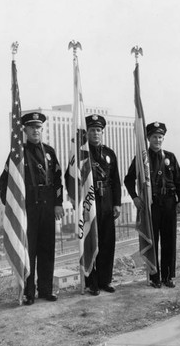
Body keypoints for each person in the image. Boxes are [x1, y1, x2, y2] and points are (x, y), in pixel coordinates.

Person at [0, 112, 64, 305]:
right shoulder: (18, 153)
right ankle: (29, 292)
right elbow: (4, 182)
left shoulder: (50, 152)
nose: (36, 131)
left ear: (42, 130)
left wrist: (58, 203)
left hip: (47, 206)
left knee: (47, 249)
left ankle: (45, 290)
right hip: (27, 209)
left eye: (38, 127)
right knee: (29, 251)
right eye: (32, 127)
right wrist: (11, 207)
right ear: (25, 130)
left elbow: (58, 180)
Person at [124, 122, 180, 288]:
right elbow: (128, 179)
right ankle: (154, 277)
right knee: (153, 241)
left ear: (163, 138)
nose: (157, 140)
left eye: (160, 137)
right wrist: (135, 198)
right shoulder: (142, 158)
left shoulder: (170, 157)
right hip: (152, 205)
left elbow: (179, 181)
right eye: (154, 137)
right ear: (148, 139)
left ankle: (168, 276)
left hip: (169, 203)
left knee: (169, 241)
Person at [83, 114, 122, 295]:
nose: (95, 133)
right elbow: (72, 178)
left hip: (106, 199)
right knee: (91, 241)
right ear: (87, 132)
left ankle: (105, 281)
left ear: (102, 132)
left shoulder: (109, 154)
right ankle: (92, 282)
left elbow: (115, 180)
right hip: (89, 201)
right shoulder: (82, 153)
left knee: (107, 242)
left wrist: (117, 204)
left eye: (98, 130)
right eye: (92, 130)